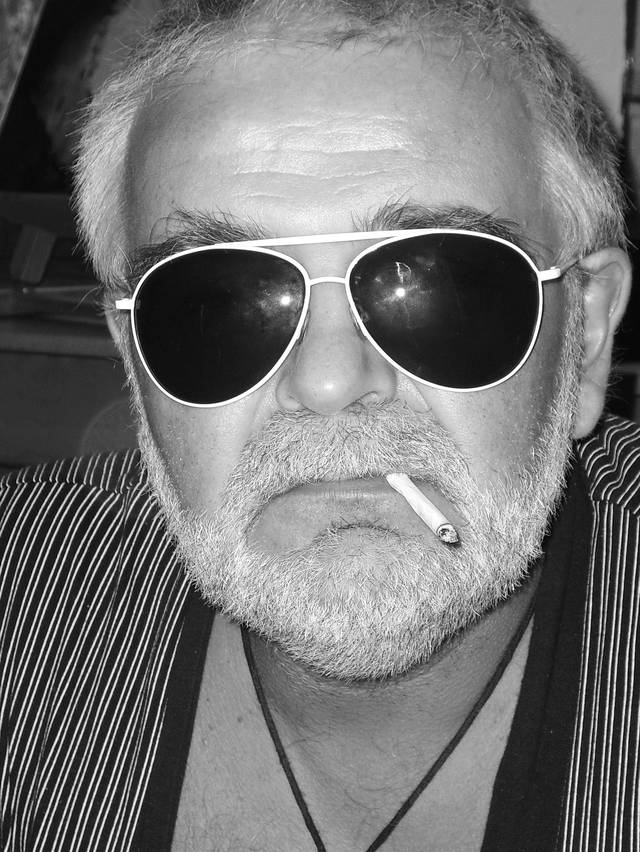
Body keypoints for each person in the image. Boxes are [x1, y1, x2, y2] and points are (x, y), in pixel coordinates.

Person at [1, 0, 639, 849]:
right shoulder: (20, 592)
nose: (330, 382)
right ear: (134, 358)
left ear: (583, 338)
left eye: (439, 285)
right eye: (216, 301)